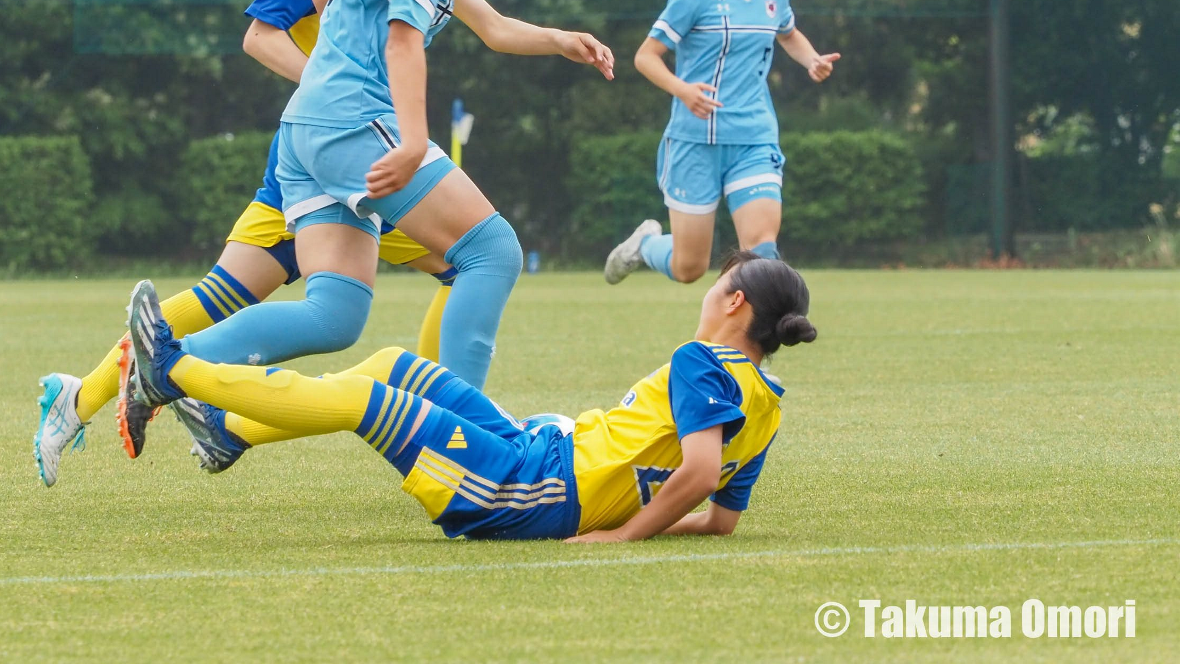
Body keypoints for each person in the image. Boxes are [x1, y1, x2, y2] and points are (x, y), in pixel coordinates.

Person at [118, 0, 614, 445]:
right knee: (492, 252)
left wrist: (559, 39)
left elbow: (482, 26)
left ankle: (168, 365)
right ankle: (469, 440)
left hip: (309, 131)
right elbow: (402, 40)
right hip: (353, 123)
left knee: (335, 314)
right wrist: (411, 139)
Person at [34, 0, 453, 488]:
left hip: (343, 157)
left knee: (219, 297)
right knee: (467, 259)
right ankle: (448, 430)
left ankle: (86, 400)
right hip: (337, 157)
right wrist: (336, 89)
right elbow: (261, 35)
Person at [124, 249, 816, 540]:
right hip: (541, 455)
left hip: (529, 489)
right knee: (395, 365)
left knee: (368, 404)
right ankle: (231, 432)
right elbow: (720, 519)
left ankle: (172, 372)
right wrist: (642, 511)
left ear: (731, 301)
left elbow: (696, 472)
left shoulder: (702, 362)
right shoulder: (767, 398)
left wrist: (623, 532)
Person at [604, 0, 839, 286]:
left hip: (753, 137)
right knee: (689, 268)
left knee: (761, 251)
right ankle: (645, 245)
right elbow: (646, 56)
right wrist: (684, 90)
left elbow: (788, 33)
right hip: (695, 141)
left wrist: (812, 59)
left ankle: (753, 335)